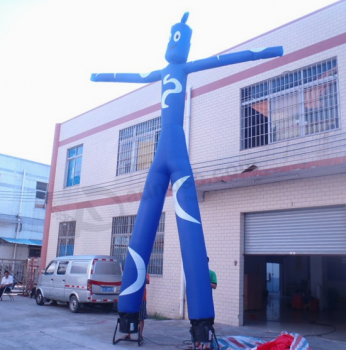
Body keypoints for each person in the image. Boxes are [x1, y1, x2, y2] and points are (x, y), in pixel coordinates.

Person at [123, 273, 150, 343]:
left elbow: (148, 281)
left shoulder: (145, 273)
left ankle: (140, 335)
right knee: (130, 316)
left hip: (142, 299)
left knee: (141, 318)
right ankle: (128, 334)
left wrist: (142, 274)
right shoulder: (133, 272)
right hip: (132, 298)